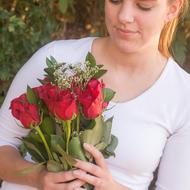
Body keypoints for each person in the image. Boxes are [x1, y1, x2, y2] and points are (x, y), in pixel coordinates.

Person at [0, 0, 189, 189]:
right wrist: (39, 178)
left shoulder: (182, 96)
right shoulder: (57, 58)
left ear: (172, 9)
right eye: (115, 1)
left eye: (143, 6)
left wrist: (108, 187)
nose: (124, 16)